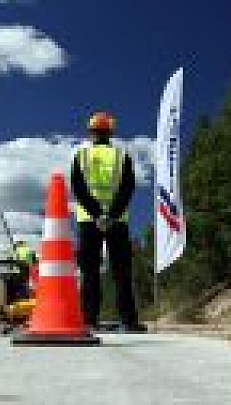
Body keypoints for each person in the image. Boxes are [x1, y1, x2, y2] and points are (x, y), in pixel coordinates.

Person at [71, 111, 146, 333]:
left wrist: (96, 214)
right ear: (110, 132)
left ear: (91, 132)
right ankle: (129, 321)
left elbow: (78, 189)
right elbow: (127, 188)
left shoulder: (81, 156)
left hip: (89, 221)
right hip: (117, 221)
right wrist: (111, 215)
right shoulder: (122, 156)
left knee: (90, 272)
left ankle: (89, 320)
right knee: (122, 272)